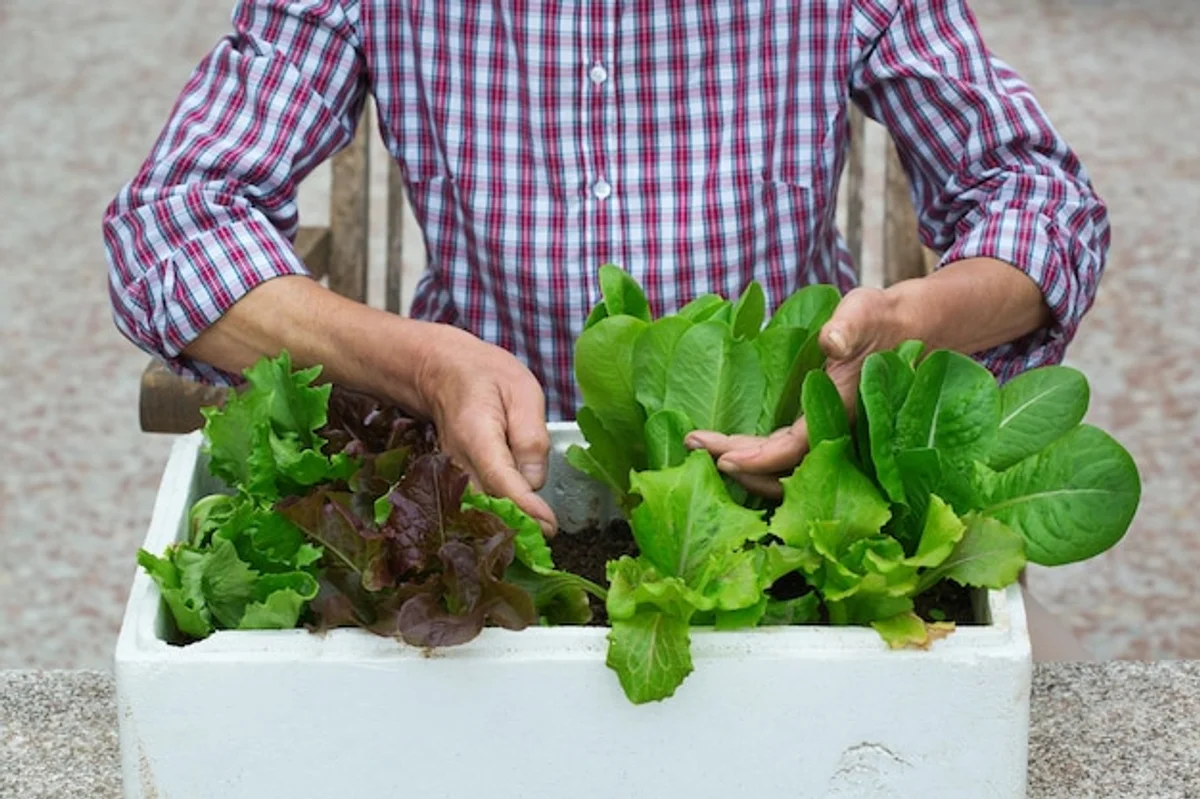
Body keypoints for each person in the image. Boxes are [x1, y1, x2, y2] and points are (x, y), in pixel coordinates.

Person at [104, 1, 1107, 657]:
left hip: (784, 483)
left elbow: (1040, 200)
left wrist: (916, 321)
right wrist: (420, 363)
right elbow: (170, 225)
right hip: (475, 499)